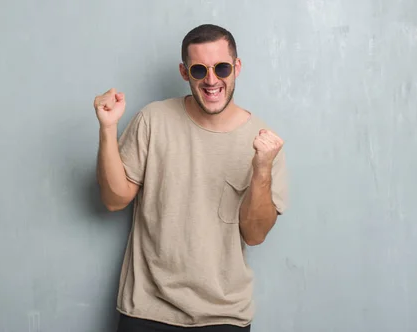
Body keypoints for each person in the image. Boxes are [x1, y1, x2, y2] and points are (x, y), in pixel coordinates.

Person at [93, 24, 289, 332]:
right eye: (199, 70)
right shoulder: (153, 120)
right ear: (185, 73)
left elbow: (255, 234)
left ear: (236, 67)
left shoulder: (264, 140)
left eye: (222, 68)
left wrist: (262, 168)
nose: (211, 80)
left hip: (224, 316)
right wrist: (107, 129)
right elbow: (114, 199)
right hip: (148, 310)